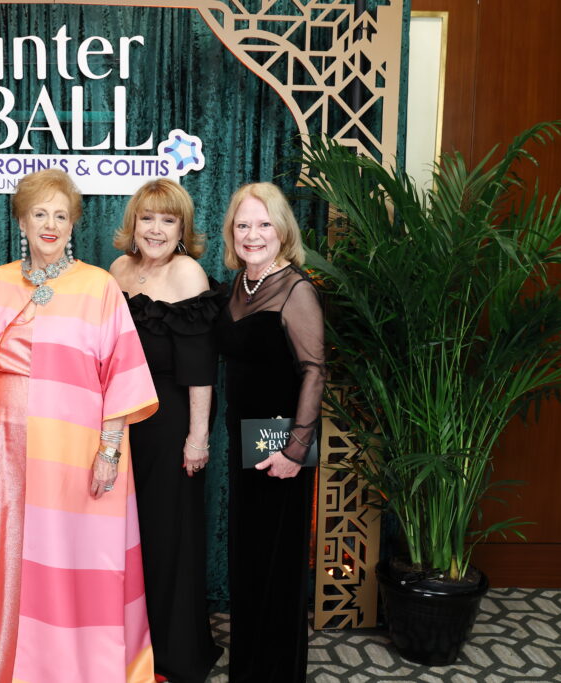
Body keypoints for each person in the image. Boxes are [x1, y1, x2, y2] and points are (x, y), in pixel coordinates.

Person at [0, 169, 159, 683]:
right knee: (11, 549)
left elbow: (124, 373)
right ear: (21, 221)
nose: (49, 224)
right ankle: (6, 655)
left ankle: (79, 664)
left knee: (77, 550)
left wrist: (110, 449)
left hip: (75, 444)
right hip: (4, 443)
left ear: (73, 224)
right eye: (38, 214)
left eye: (60, 215)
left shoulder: (98, 285)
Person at [108, 179, 223, 683]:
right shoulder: (117, 270)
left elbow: (201, 370)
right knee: (127, 539)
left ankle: (174, 654)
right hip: (122, 425)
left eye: (168, 219)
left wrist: (197, 438)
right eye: (147, 217)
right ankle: (129, 646)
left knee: (169, 536)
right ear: (133, 223)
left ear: (183, 229)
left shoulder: (188, 274)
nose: (155, 229)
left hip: (173, 423)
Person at [214, 182, 325, 682]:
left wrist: (295, 451)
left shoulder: (297, 290)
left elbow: (314, 371)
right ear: (231, 233)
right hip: (244, 442)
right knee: (249, 561)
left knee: (277, 567)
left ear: (283, 230)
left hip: (281, 448)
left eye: (263, 224)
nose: (253, 234)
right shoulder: (239, 284)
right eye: (243, 225)